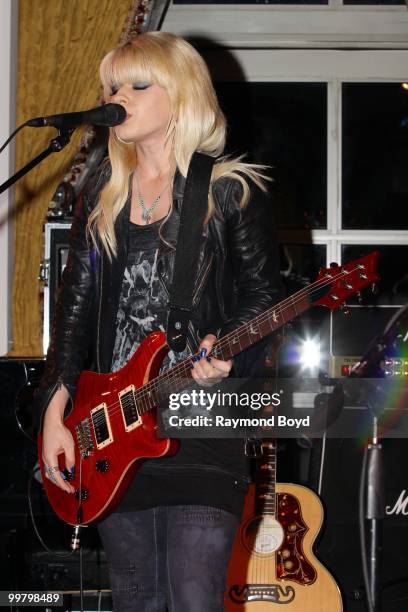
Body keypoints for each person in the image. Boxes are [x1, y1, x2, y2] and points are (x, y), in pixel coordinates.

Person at [38, 32, 282, 612]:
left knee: (195, 597)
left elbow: (264, 301)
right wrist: (55, 408)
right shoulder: (103, 194)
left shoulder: (228, 192)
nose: (118, 96)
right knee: (136, 600)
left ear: (181, 95)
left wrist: (227, 357)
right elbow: (74, 310)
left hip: (198, 428)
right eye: (112, 86)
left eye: (136, 85)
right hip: (112, 430)